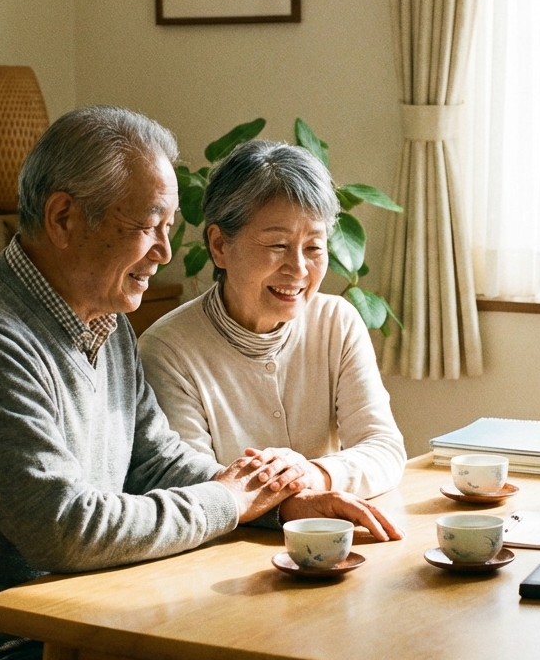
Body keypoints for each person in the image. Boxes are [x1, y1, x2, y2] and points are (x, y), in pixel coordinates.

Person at [0, 107, 402, 660]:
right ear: (65, 217)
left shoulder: (102, 317)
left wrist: (280, 502)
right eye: (150, 226)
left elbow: (157, 461)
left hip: (74, 626)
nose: (162, 253)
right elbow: (66, 529)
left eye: (169, 227)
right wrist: (229, 500)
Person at [139, 139, 406, 500]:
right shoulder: (167, 349)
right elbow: (195, 486)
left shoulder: (336, 321)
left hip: (331, 540)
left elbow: (383, 447)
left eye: (314, 247)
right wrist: (295, 498)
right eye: (277, 245)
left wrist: (316, 474)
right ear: (219, 246)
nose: (298, 269)